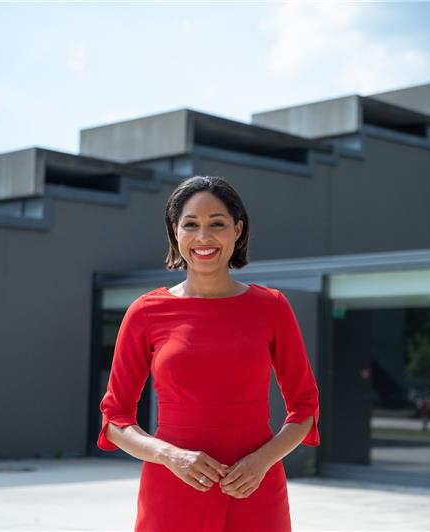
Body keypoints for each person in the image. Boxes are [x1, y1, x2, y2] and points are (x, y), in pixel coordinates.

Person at [97, 175, 320, 531]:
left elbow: (305, 410)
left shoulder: (272, 307)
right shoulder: (144, 312)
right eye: (191, 225)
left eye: (217, 223)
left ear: (238, 230)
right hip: (171, 488)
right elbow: (115, 420)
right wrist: (168, 455)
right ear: (175, 232)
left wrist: (262, 462)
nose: (203, 237)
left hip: (253, 489)